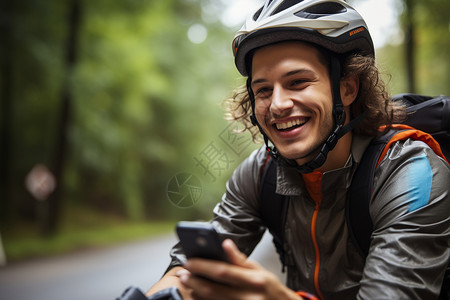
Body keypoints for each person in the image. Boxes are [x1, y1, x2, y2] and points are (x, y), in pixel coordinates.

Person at [147, 0, 450, 299]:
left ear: (347, 88)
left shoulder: (411, 172)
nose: (277, 104)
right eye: (263, 90)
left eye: (298, 82)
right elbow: (186, 272)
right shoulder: (261, 172)